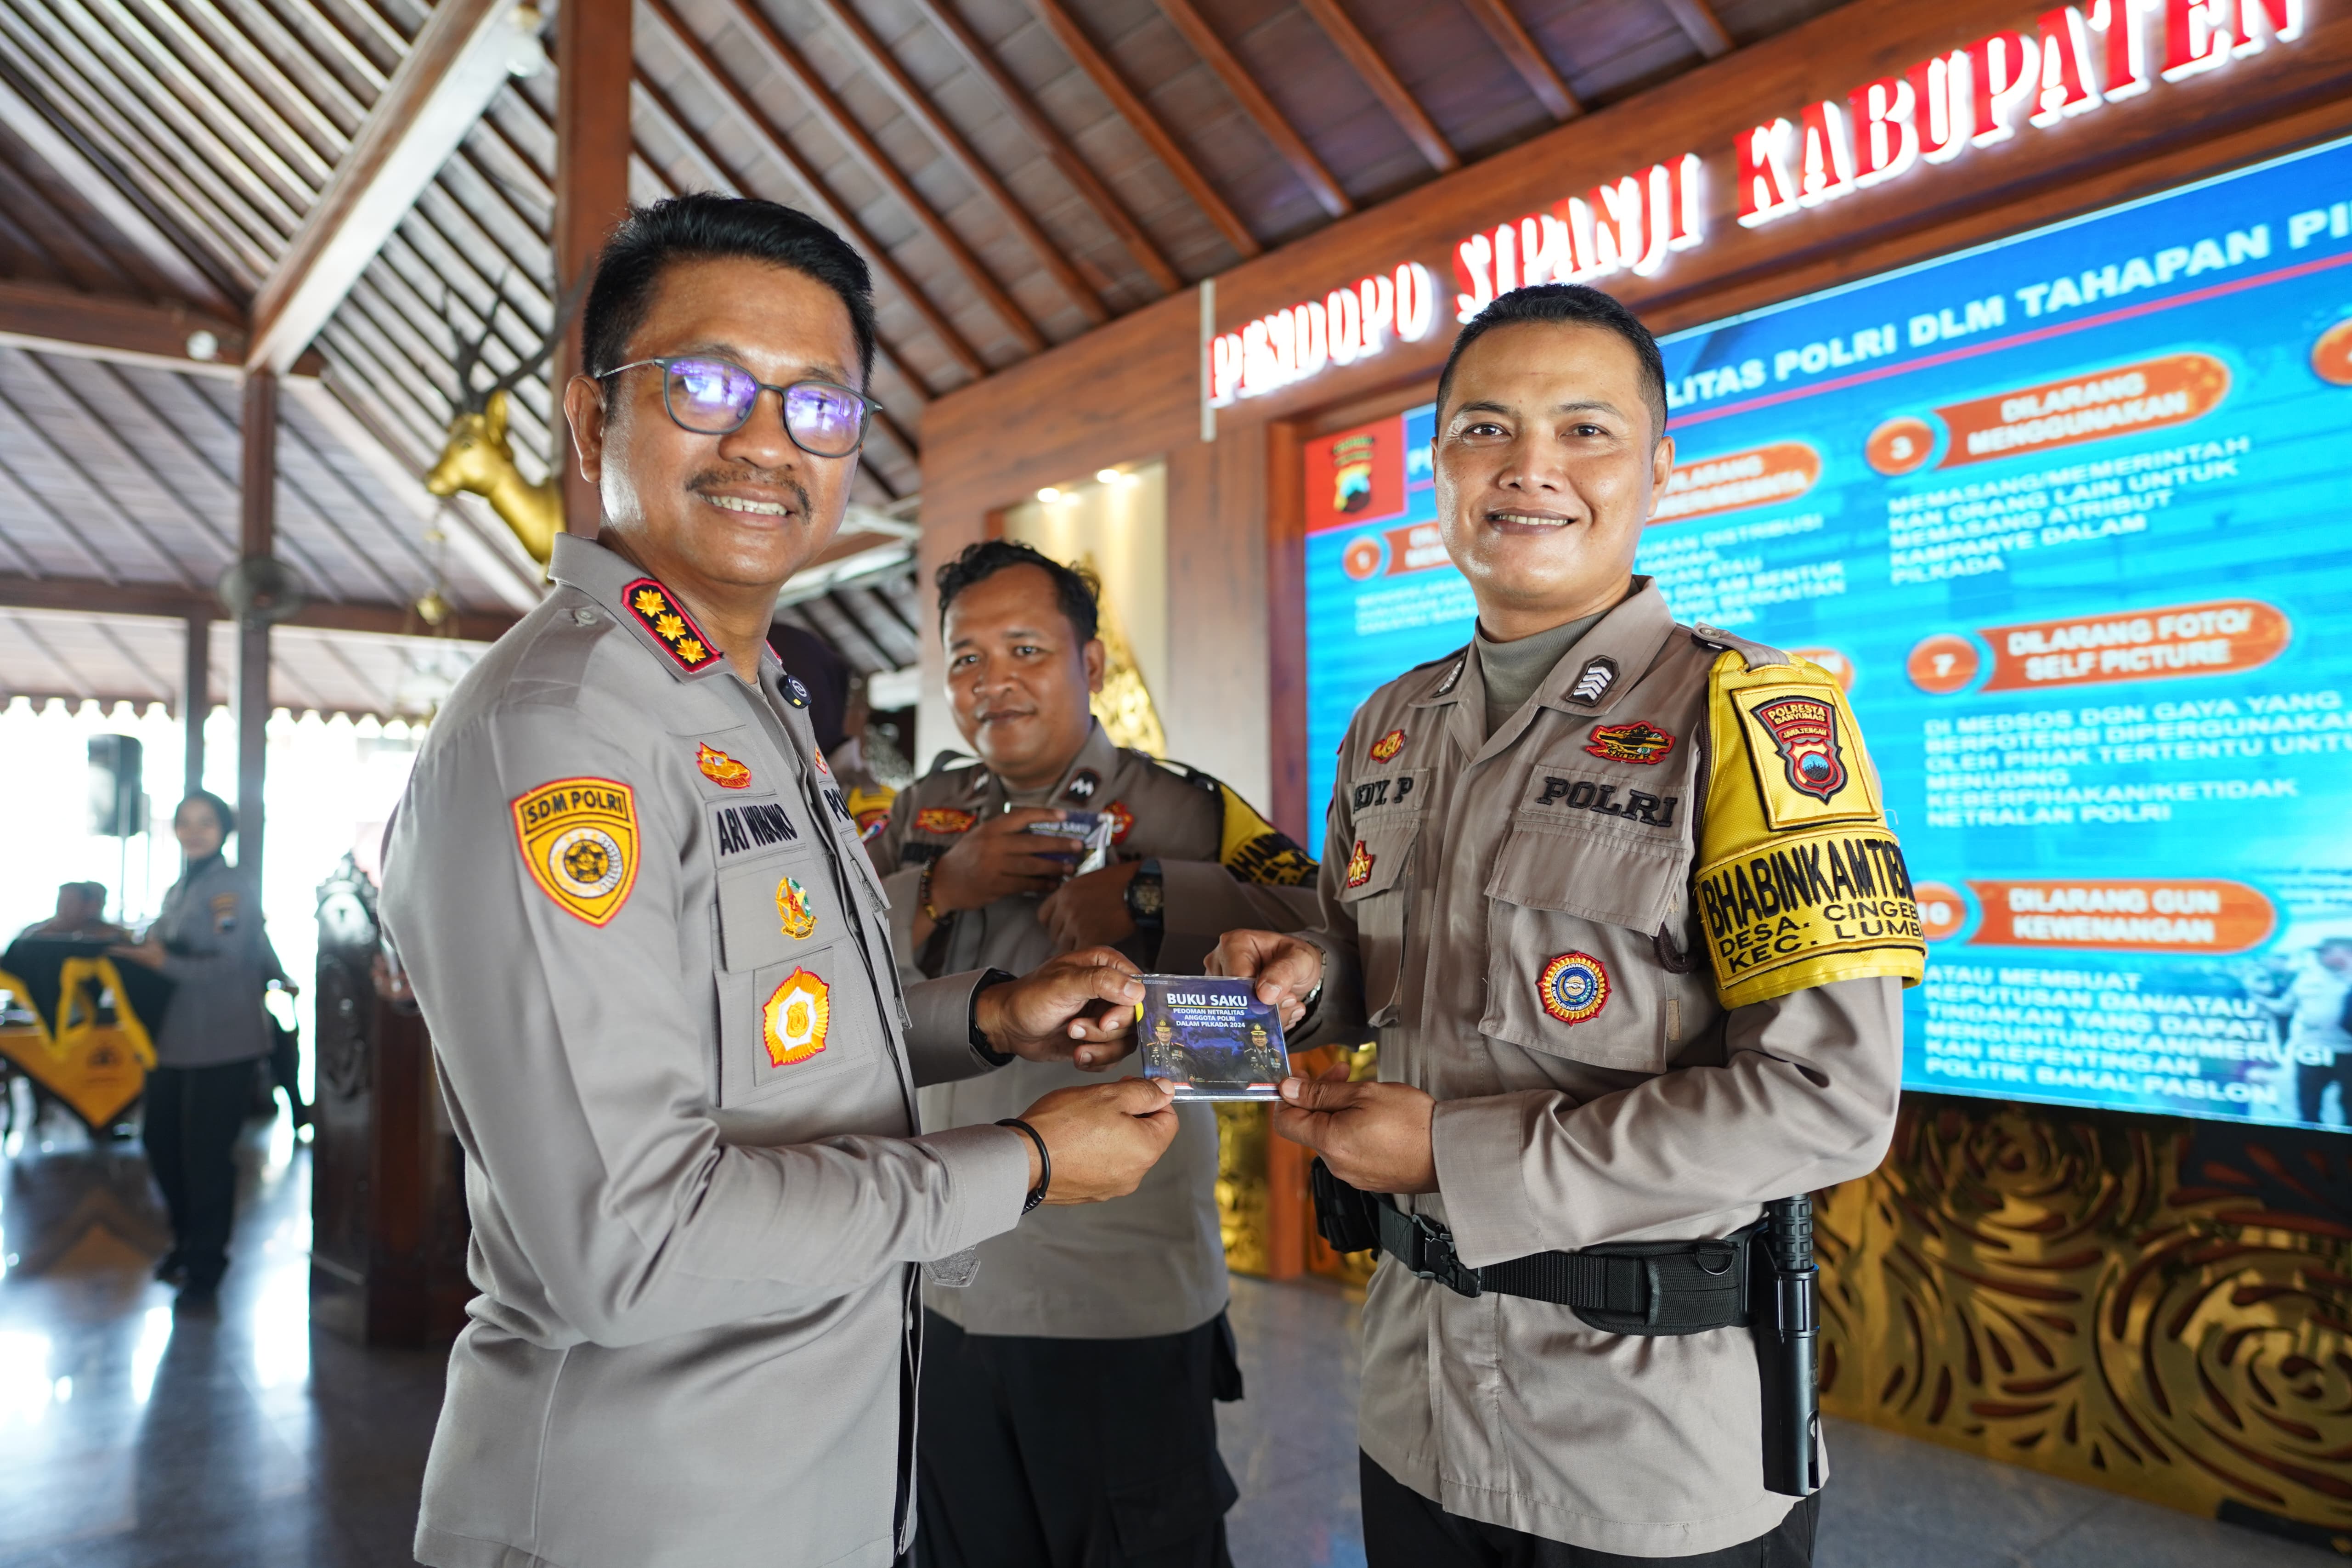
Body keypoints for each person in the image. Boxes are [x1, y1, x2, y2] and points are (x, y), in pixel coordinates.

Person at [378, 194, 1182, 1568]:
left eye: (818, 404)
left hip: (809, 1493)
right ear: (589, 419)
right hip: (644, 1518)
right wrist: (1030, 1161)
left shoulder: (741, 705)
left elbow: (777, 1029)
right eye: (705, 386)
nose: (765, 442)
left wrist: (994, 1017)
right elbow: (632, 1243)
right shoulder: (562, 733)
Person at [1213, 283, 1922, 1567]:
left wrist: (1455, 1155)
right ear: (1438, 472)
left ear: (1659, 468)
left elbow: (1827, 1102)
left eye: (1584, 430)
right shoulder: (1390, 723)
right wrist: (1304, 973)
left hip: (1642, 1444)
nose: (1529, 467)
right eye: (1484, 430)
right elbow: (1377, 968)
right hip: (1414, 1405)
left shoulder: (1749, 715)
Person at [866, 539, 1319, 1568]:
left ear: (1093, 664)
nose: (993, 680)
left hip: (1114, 1291)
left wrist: (1157, 896)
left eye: (1025, 648)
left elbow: (1314, 964)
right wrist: (939, 886)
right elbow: (812, 959)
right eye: (967, 657)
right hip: (943, 1275)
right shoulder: (924, 816)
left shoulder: (1187, 812)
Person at [111, 792, 286, 1306]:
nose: (194, 831)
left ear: (224, 829)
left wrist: (159, 961)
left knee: (206, 1157)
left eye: (206, 822)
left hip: (225, 1040)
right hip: (175, 1039)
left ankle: (207, 1265)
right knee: (160, 1143)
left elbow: (230, 963)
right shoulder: (181, 885)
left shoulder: (231, 886)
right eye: (185, 822)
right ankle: (185, 1241)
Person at [2259, 936, 2352, 1125]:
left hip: (2347, 1051)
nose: (2321, 956)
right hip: (2312, 1050)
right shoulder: (2306, 979)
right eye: (2320, 952)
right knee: (2309, 1103)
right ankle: (2310, 1138)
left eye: (2327, 951)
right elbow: (2285, 1007)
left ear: (2346, 952)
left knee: (2349, 1103)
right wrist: (2262, 1002)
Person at [18, 881, 128, 941]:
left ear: (88, 905)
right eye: (62, 901)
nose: (63, 908)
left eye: (70, 902)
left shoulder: (112, 936)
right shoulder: (38, 934)